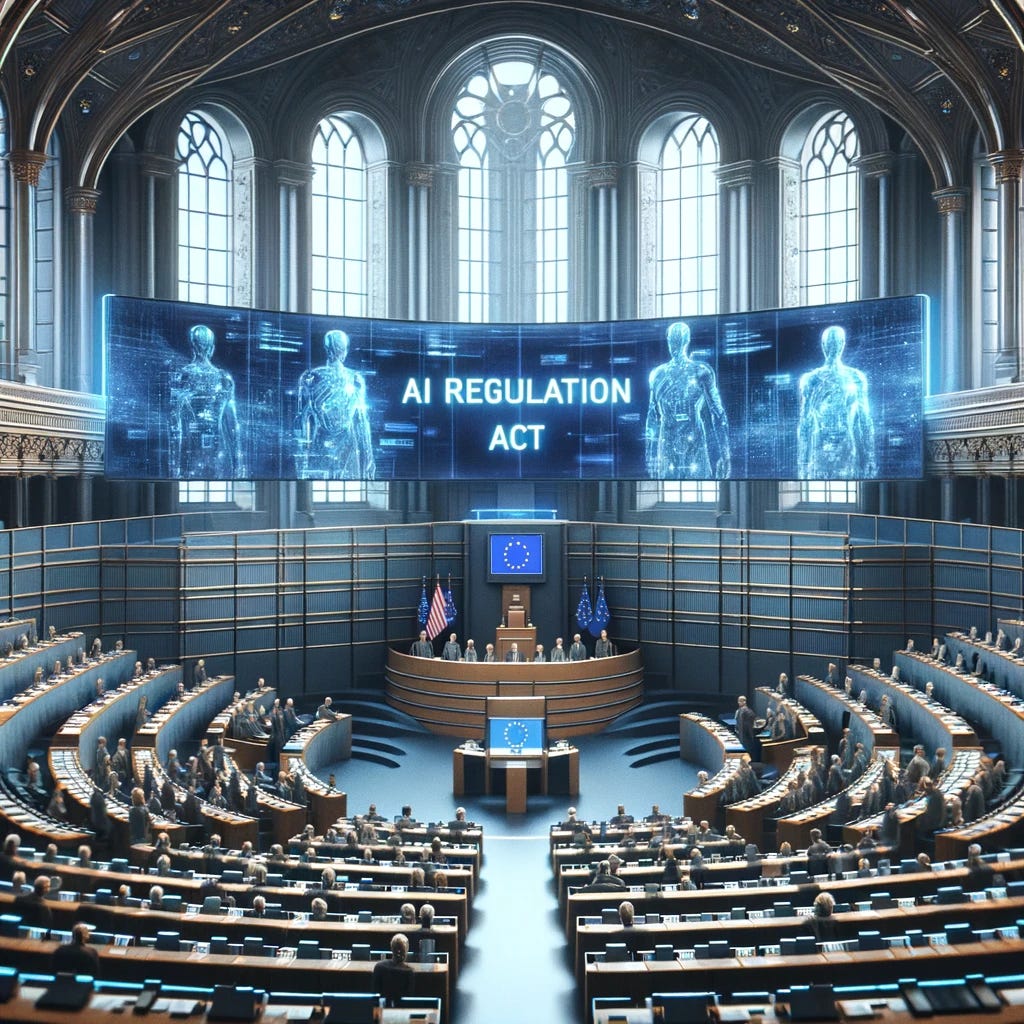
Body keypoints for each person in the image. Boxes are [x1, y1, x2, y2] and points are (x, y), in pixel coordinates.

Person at [645, 319, 731, 479]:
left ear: (685, 341)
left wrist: (725, 455)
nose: (674, 345)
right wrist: (649, 456)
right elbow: (652, 416)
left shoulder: (700, 372)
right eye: (673, 340)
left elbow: (718, 415)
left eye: (676, 340)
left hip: (691, 443)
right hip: (669, 443)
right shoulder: (659, 374)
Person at [797, 324, 877, 479]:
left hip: (845, 448)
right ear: (823, 345)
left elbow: (865, 421)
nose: (833, 347)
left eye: (837, 342)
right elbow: (804, 423)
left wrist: (870, 457)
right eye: (830, 343)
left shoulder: (856, 377)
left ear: (843, 344)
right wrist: (802, 463)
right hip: (819, 448)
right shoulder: (811, 380)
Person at [295, 328, 375, 479]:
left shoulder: (310, 377)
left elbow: (302, 418)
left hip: (323, 444)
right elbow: (363, 423)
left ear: (327, 350)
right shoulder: (355, 379)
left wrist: (303, 453)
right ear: (344, 350)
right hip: (343, 445)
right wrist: (369, 459)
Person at [168, 324, 243, 478]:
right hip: (219, 450)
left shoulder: (182, 376)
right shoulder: (224, 379)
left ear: (192, 346)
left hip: (190, 450)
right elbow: (233, 426)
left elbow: (174, 424)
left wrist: (174, 467)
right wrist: (238, 465)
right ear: (212, 348)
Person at [372, 933, 415, 1006]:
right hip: (401, 1011)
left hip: (381, 1009)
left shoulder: (379, 967)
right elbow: (409, 997)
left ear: (391, 948)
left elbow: (374, 992)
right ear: (406, 949)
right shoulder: (409, 972)